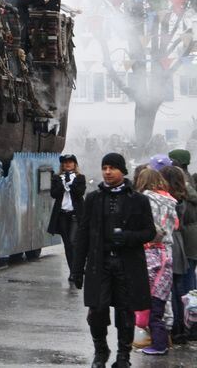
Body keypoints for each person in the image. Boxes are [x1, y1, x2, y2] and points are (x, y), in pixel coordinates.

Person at [71, 152, 156, 368]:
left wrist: (127, 237)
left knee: (125, 312)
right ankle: (101, 351)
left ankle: (123, 355)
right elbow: (82, 235)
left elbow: (149, 232)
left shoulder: (138, 200)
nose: (107, 172)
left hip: (127, 264)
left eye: (112, 168)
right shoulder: (93, 198)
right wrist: (77, 269)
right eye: (105, 168)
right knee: (97, 311)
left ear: (122, 171)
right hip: (100, 264)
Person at [133, 167, 177, 355]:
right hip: (167, 250)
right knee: (162, 298)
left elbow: (147, 226)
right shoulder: (170, 200)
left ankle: (156, 341)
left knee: (149, 300)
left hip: (150, 250)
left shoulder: (145, 199)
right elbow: (174, 225)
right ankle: (164, 337)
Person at [161, 165, 196, 345]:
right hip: (181, 243)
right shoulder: (183, 198)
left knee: (173, 287)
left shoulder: (168, 200)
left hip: (173, 243)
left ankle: (176, 327)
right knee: (181, 285)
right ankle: (185, 325)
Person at [48, 154, 86, 283]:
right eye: (65, 162)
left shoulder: (80, 178)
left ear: (75, 164)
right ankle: (73, 272)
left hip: (75, 215)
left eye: (70, 162)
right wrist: (63, 185)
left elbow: (80, 192)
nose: (67, 164)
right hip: (62, 214)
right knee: (68, 245)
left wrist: (71, 183)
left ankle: (78, 269)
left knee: (74, 242)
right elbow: (53, 194)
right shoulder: (57, 178)